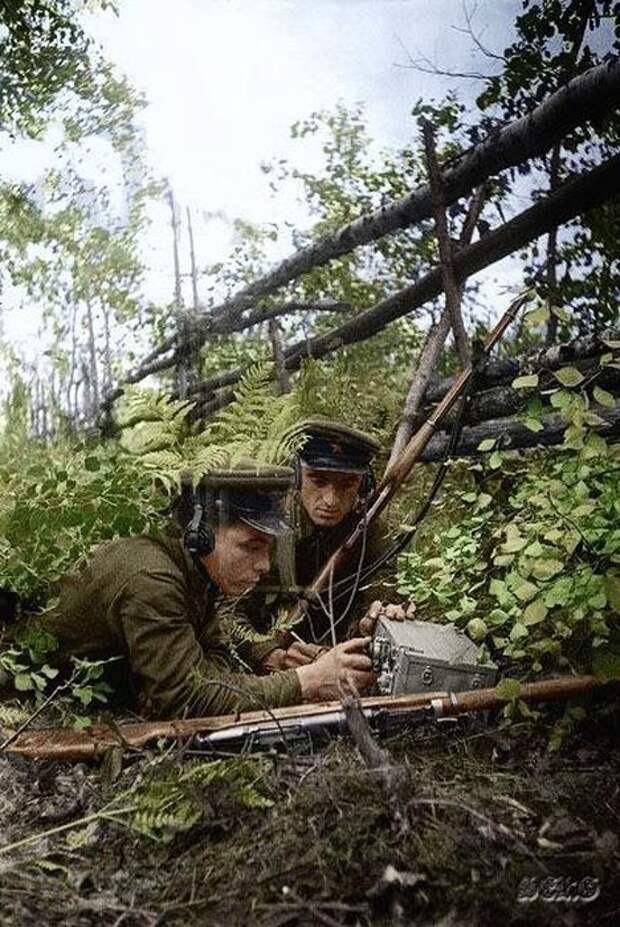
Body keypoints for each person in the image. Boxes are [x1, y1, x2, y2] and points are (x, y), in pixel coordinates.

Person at [7, 460, 375, 719]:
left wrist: (271, 664)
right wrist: (306, 681)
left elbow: (209, 656)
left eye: (267, 548)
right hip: (20, 693)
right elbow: (185, 697)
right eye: (251, 546)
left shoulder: (198, 568)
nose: (264, 566)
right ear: (199, 535)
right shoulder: (151, 578)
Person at [237, 420, 405, 674]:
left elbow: (383, 593)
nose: (330, 500)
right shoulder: (265, 524)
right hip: (262, 666)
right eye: (318, 480)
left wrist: (376, 618)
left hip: (339, 661)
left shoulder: (370, 531)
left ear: (363, 485)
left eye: (347, 484)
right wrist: (267, 654)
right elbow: (224, 612)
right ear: (296, 477)